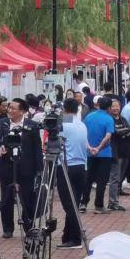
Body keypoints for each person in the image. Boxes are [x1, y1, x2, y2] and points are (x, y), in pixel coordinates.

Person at [0, 98, 43, 238]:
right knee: (6, 199)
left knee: (27, 198)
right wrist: (1, 148)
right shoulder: (1, 124)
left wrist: (39, 168)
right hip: (7, 167)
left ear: (22, 111)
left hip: (26, 168)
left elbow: (37, 147)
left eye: (13, 108)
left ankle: (28, 227)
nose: (9, 110)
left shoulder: (32, 126)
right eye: (9, 107)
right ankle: (7, 228)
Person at [54, 98, 88, 249]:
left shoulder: (63, 126)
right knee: (74, 201)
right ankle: (68, 235)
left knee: (69, 204)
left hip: (65, 166)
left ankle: (75, 238)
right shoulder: (81, 124)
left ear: (63, 110)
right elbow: (69, 119)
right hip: (80, 167)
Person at [80, 97, 114, 214]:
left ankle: (83, 203)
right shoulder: (109, 119)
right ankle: (99, 206)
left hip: (90, 153)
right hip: (104, 153)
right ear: (109, 107)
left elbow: (84, 134)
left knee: (88, 179)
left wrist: (90, 147)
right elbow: (108, 137)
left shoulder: (89, 116)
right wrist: (98, 148)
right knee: (102, 180)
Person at [107, 98, 130, 211]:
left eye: (117, 106)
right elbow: (116, 132)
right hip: (115, 153)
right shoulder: (109, 120)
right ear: (109, 108)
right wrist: (124, 132)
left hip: (125, 152)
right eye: (113, 106)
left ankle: (116, 200)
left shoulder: (122, 119)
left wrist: (124, 133)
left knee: (120, 177)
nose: (115, 108)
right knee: (114, 178)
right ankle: (113, 202)